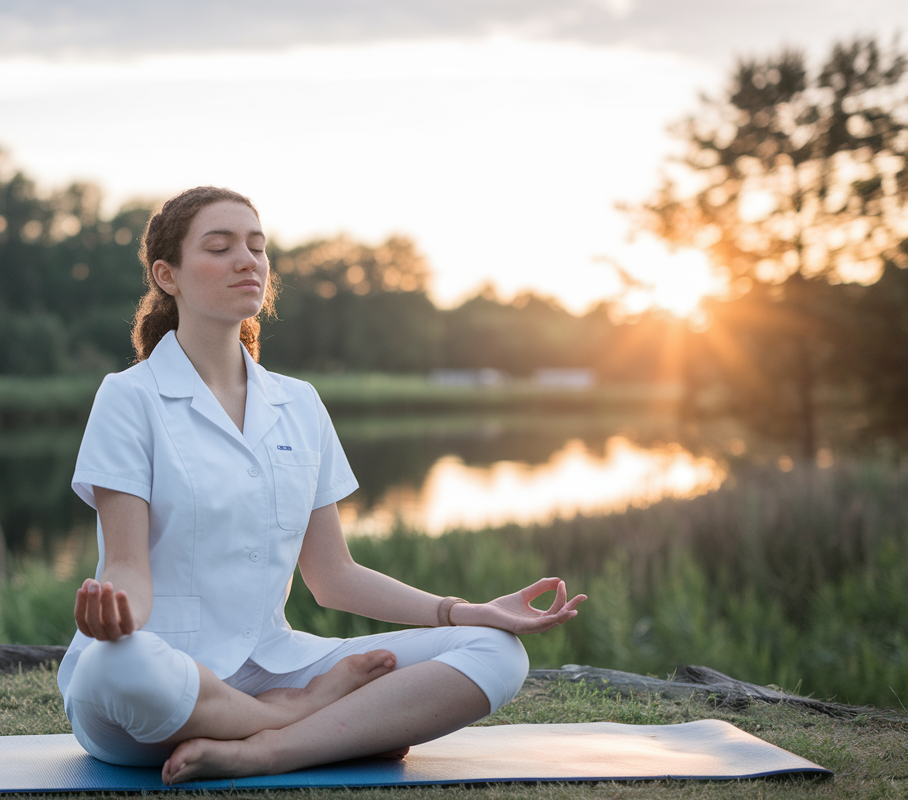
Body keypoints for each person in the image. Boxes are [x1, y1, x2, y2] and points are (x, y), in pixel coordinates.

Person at [56, 186, 586, 784]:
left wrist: (464, 612)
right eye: (220, 246)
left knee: (495, 650)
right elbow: (127, 567)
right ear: (167, 274)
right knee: (112, 668)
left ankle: (265, 750)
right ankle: (309, 719)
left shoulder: (298, 403)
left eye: (257, 247)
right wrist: (118, 618)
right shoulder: (128, 398)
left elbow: (333, 577)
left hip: (272, 662)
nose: (247, 260)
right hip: (160, 686)